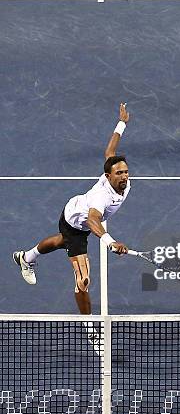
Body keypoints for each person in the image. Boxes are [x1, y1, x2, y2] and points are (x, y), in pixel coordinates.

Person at [13, 103, 130, 315]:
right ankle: (90, 324)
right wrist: (110, 242)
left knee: (61, 241)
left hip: (74, 212)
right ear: (108, 176)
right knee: (83, 280)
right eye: (119, 173)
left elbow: (109, 151)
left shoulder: (121, 180)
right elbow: (93, 220)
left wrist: (122, 122)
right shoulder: (100, 197)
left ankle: (26, 257)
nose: (124, 176)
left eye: (125, 172)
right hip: (75, 221)